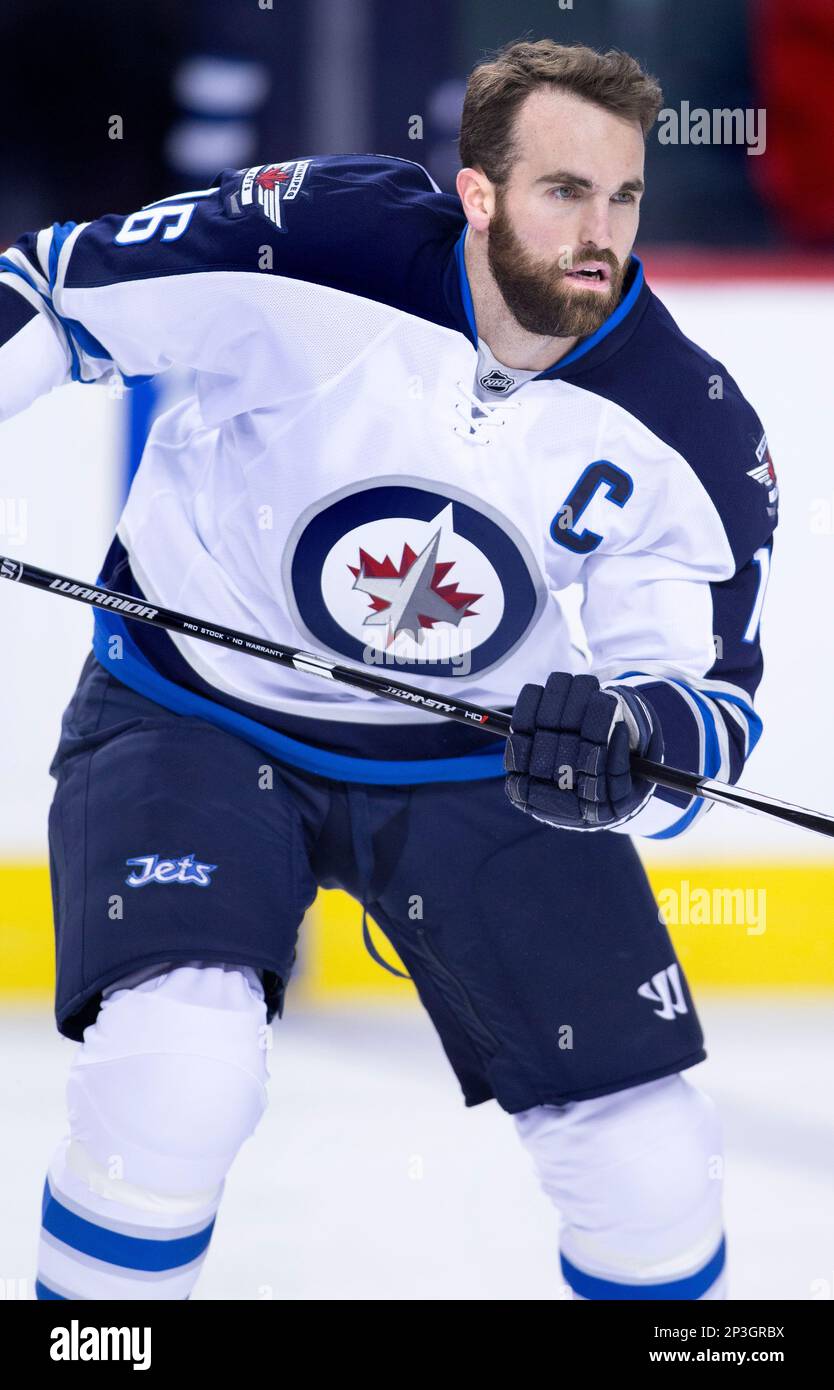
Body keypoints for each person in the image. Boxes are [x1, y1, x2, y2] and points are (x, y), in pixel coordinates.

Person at [0, 39, 776, 1301]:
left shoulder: (692, 422)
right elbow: (51, 291)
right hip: (196, 705)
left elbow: (707, 714)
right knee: (173, 1080)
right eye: (563, 192)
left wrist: (626, 735)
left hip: (479, 758)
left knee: (651, 1168)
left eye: (625, 197)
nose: (601, 233)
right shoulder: (313, 238)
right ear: (476, 192)